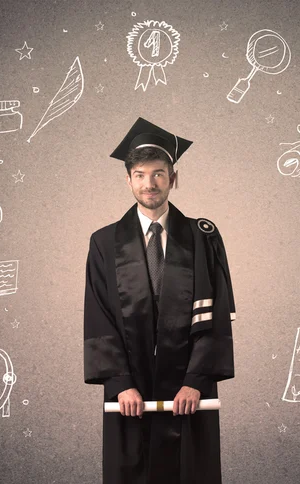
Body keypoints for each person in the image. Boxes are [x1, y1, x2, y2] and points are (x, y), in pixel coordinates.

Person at [83, 117, 236, 484]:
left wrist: (195, 381)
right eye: (139, 174)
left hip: (187, 390)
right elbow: (99, 317)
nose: (148, 183)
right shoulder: (104, 243)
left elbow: (216, 314)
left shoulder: (203, 238)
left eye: (158, 174)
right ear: (128, 180)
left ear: (173, 177)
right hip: (131, 392)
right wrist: (121, 383)